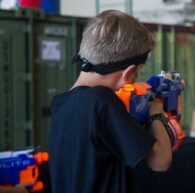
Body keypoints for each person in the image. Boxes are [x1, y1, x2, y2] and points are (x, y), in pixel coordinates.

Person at [48, 10, 172, 193]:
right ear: (128, 73)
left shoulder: (61, 104)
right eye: (137, 73)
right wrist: (156, 111)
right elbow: (161, 161)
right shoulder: (102, 102)